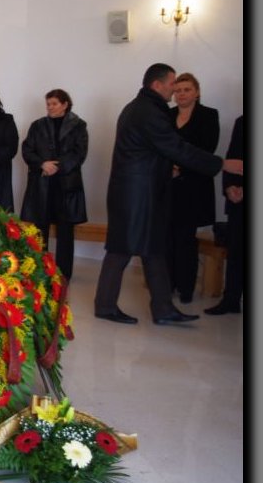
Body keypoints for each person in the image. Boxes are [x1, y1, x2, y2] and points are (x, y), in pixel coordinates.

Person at [94, 63, 242, 326]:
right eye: (172, 83)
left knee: (153, 249)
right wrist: (221, 164)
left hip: (138, 192)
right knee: (121, 250)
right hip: (136, 194)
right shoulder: (147, 111)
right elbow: (176, 147)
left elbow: (160, 150)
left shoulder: (141, 107)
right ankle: (106, 306)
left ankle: (162, 308)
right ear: (157, 85)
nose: (175, 89)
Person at [19, 89, 88, 280]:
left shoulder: (78, 125)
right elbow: (27, 150)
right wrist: (42, 164)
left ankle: (64, 274)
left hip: (66, 185)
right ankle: (41, 271)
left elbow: (79, 153)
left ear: (65, 104)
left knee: (65, 230)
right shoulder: (37, 125)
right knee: (40, 229)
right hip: (42, 184)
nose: (50, 107)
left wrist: (58, 166)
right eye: (48, 104)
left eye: (54, 104)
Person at [165, 73, 220, 304]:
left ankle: (186, 287)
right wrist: (169, 168)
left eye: (187, 89)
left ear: (196, 92)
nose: (181, 94)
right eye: (178, 90)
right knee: (167, 237)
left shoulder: (208, 115)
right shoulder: (166, 115)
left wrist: (180, 168)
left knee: (186, 239)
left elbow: (206, 149)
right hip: (168, 185)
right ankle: (168, 284)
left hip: (194, 186)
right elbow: (159, 146)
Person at [205, 115, 244, 315]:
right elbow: (232, 158)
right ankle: (231, 300)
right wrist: (229, 187)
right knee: (236, 251)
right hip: (239, 200)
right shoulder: (242, 121)